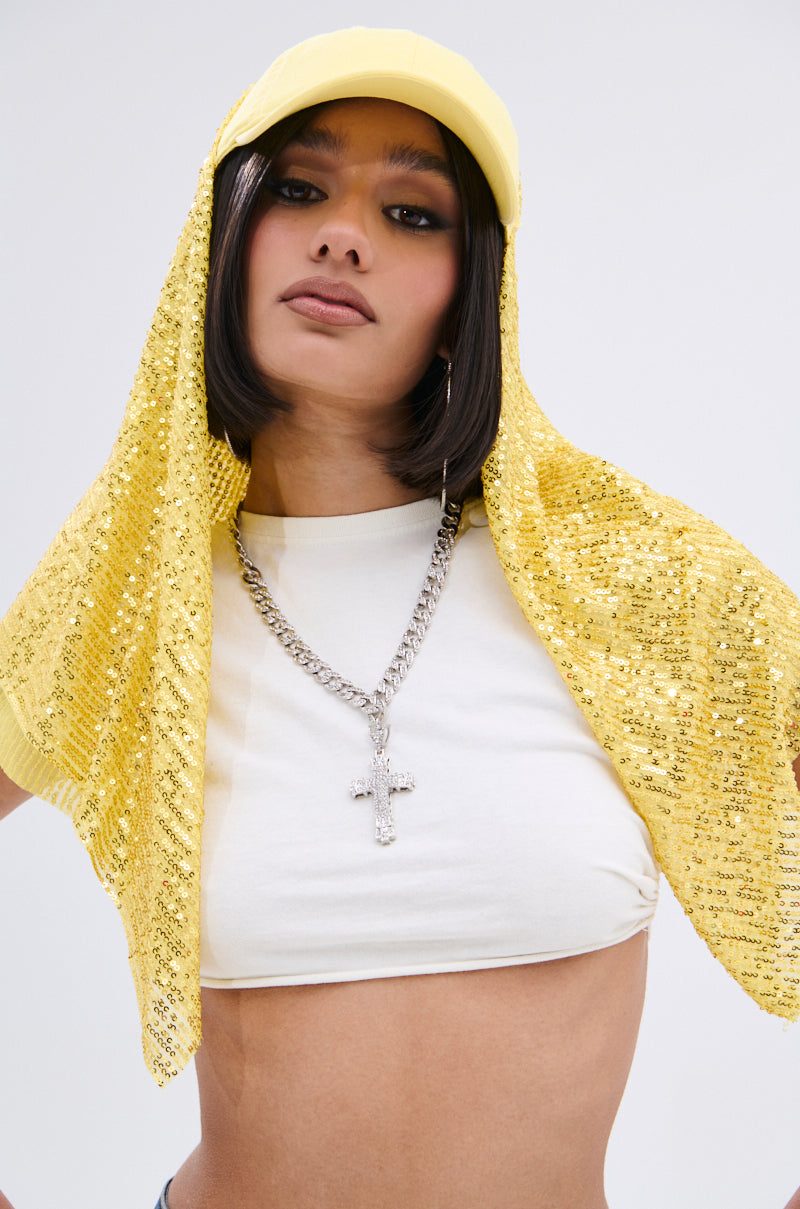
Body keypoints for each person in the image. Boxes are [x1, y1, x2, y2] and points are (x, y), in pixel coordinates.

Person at [1, 27, 799, 1209]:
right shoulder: (128, 600)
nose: (342, 235)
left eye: (411, 213)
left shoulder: (631, 581)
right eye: (298, 189)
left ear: (473, 289)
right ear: (219, 237)